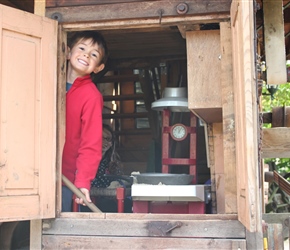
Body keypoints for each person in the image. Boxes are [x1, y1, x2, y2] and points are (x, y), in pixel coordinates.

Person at [62, 31, 108, 212]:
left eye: (94, 54)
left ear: (98, 67)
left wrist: (82, 182)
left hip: (65, 178)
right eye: (81, 48)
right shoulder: (45, 81)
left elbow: (91, 144)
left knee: (56, 231)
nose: (86, 55)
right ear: (67, 52)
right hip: (33, 170)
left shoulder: (91, 95)